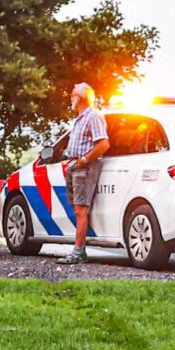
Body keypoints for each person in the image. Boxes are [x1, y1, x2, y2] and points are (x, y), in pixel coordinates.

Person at [61, 82, 108, 262]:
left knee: (81, 209)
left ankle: (78, 251)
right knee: (77, 208)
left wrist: (84, 160)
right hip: (75, 166)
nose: (70, 98)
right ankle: (79, 250)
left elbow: (103, 144)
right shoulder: (80, 118)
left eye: (73, 95)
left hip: (85, 168)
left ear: (80, 98)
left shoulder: (93, 116)